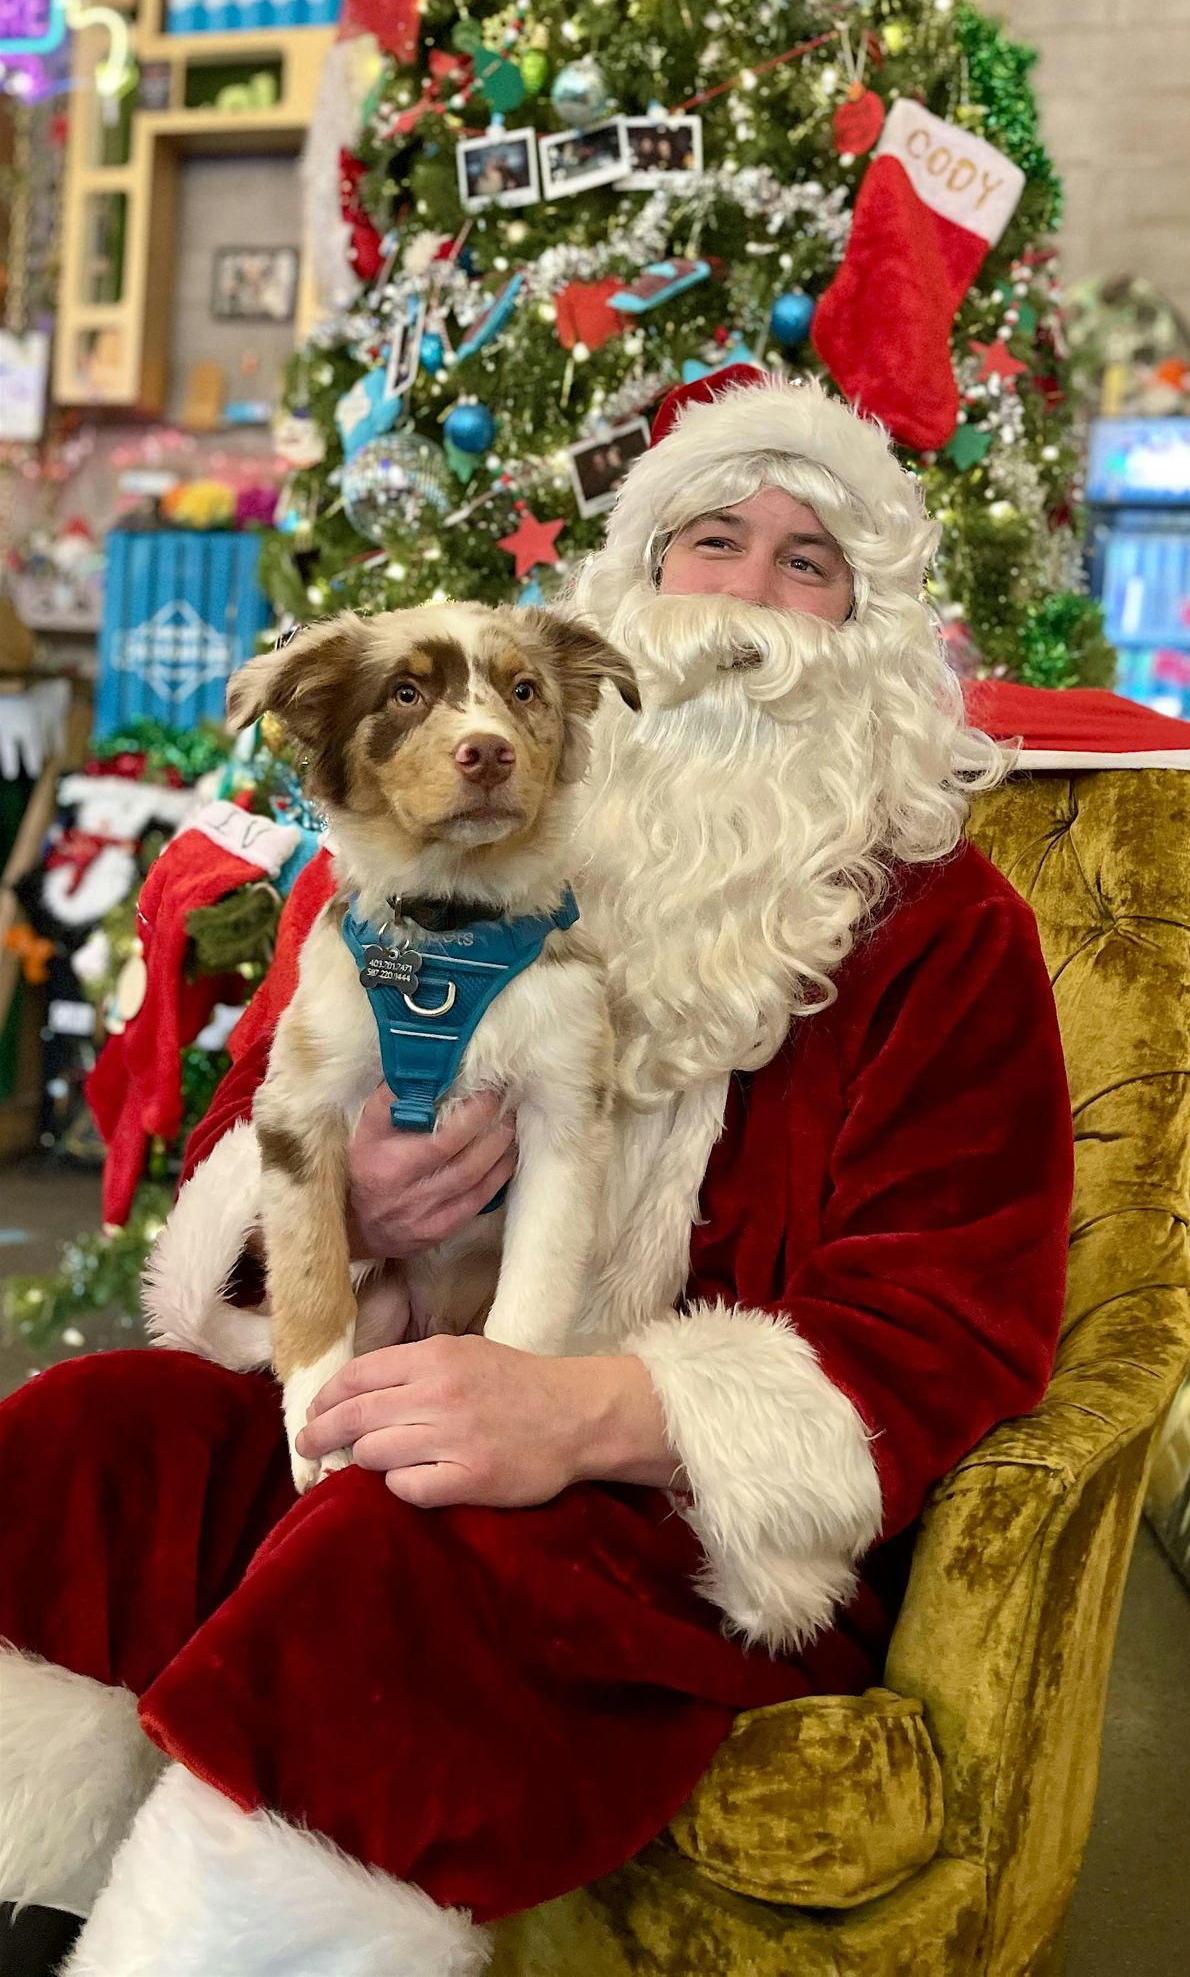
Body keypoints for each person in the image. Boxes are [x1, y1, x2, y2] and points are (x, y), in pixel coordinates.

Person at [0, 372, 1074, 1977]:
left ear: (871, 624)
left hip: (676, 1517)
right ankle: (36, 1897)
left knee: (391, 1566)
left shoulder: (945, 928)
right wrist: (346, 1205)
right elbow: (257, 1145)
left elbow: (952, 1316)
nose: (750, 603)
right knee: (82, 1444)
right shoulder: (428, 858)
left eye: (809, 562)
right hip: (384, 1379)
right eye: (715, 540)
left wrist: (586, 1409)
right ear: (630, 590)